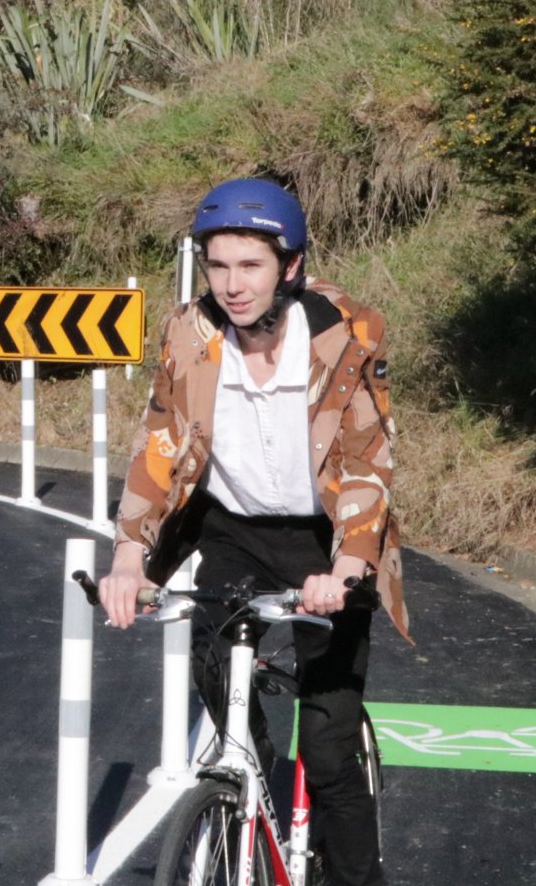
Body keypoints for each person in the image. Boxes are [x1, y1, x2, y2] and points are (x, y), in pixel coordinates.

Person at [98, 178, 410, 886]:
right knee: (215, 669)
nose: (232, 285)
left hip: (323, 543)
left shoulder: (345, 334)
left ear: (289, 267)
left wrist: (351, 567)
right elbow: (161, 447)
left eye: (250, 265)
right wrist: (127, 557)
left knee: (328, 749)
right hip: (233, 529)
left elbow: (367, 461)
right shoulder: (190, 332)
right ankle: (252, 789)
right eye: (217, 265)